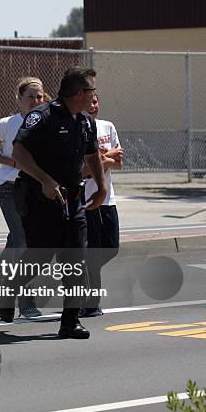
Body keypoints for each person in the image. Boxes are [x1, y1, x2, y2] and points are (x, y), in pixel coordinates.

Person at [5, 66, 106, 339]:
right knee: (39, 256)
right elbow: (19, 152)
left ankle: (70, 322)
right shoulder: (43, 116)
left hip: (73, 200)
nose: (95, 97)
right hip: (39, 198)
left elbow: (92, 154)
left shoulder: (85, 121)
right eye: (92, 91)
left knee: (75, 259)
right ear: (80, 93)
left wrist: (102, 186)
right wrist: (45, 180)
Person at [0, 77, 46, 319]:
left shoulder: (47, 122)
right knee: (24, 244)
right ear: (19, 98)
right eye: (30, 96)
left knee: (20, 241)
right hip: (11, 189)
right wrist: (11, 161)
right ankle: (25, 301)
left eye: (39, 96)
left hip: (37, 190)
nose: (36, 101)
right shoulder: (8, 124)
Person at [80, 93, 123, 317]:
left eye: (95, 101)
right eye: (87, 102)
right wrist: (107, 158)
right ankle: (90, 303)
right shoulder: (77, 129)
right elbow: (82, 170)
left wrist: (103, 160)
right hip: (86, 200)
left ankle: (83, 277)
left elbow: (119, 163)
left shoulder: (107, 127)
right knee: (92, 252)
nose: (92, 106)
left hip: (107, 199)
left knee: (111, 247)